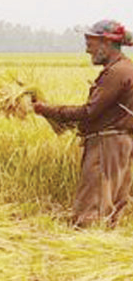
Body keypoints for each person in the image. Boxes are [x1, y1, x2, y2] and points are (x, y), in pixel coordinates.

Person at [33, 19, 133, 227]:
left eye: (91, 44)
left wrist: (46, 109)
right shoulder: (126, 68)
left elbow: (89, 112)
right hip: (120, 142)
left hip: (106, 145)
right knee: (112, 207)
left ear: (106, 43)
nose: (88, 51)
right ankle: (105, 251)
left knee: (92, 208)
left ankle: (88, 247)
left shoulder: (117, 73)